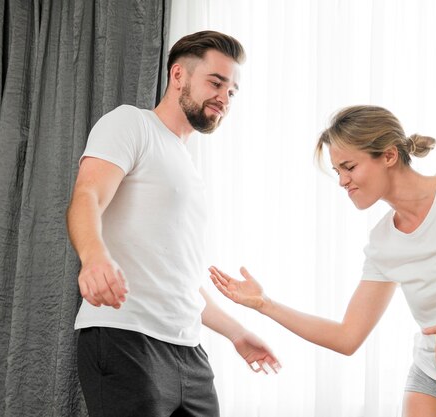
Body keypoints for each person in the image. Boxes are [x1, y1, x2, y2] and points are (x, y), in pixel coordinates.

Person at [210, 105, 436, 417]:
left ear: (390, 156)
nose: (342, 181)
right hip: (435, 389)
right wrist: (264, 304)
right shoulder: (383, 242)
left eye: (348, 167)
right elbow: (347, 337)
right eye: (337, 171)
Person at [67, 30, 280, 417]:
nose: (224, 97)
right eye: (216, 82)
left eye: (232, 91)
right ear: (178, 75)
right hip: (125, 337)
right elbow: (88, 196)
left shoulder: (188, 166)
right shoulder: (130, 125)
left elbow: (178, 278)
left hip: (189, 352)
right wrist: (94, 256)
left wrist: (236, 333)